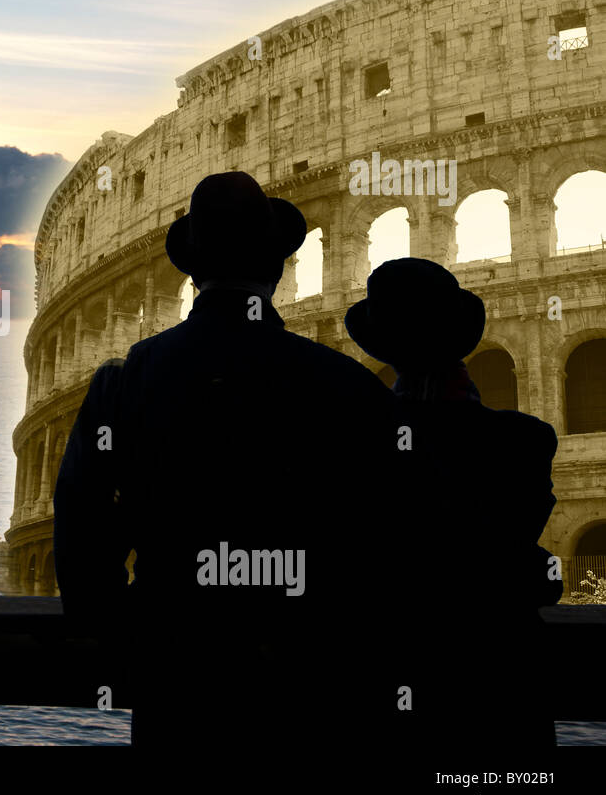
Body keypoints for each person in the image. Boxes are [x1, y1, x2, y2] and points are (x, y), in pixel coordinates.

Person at [53, 171, 396, 752]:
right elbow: (389, 530)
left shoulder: (126, 379)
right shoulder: (344, 384)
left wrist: (114, 630)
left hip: (176, 663)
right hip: (308, 666)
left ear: (190, 272)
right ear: (278, 269)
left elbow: (82, 518)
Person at [345, 257, 562, 750]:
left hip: (386, 669)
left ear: (385, 350)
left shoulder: (352, 447)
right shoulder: (526, 442)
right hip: (496, 680)